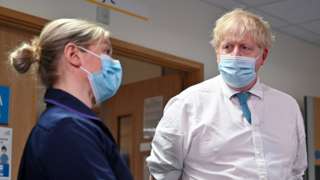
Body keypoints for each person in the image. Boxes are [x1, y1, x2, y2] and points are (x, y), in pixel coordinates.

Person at [147, 9, 307, 180]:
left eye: (245, 47)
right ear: (217, 54)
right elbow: (162, 173)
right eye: (227, 47)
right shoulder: (186, 104)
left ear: (263, 56)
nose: (236, 55)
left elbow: (296, 171)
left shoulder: (287, 107)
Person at [9, 18, 132, 180]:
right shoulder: (67, 128)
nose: (113, 63)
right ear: (73, 55)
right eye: (106, 51)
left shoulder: (69, 124)